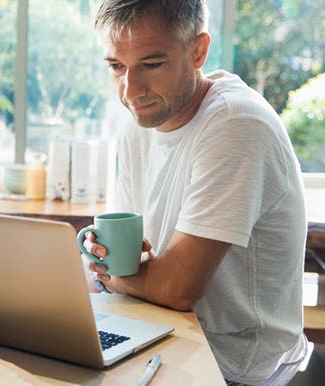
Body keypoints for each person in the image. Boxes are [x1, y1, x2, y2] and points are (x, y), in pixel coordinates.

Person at [80, 1, 308, 384]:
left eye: (152, 65)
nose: (130, 91)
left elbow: (176, 289)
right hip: (164, 334)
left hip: (239, 363)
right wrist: (105, 264)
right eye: (116, 67)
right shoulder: (140, 123)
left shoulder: (237, 124)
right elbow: (131, 261)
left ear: (198, 50)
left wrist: (111, 276)